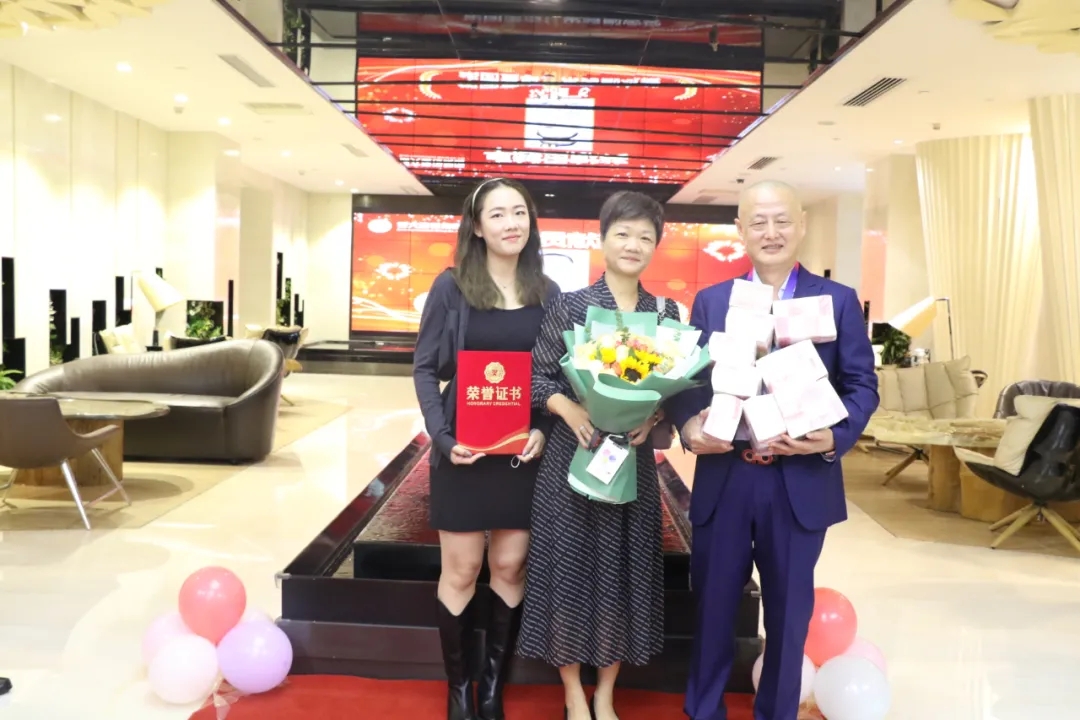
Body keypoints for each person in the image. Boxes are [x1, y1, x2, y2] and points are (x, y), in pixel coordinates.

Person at [667, 180, 879, 720]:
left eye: (782, 220)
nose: (771, 232)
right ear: (740, 230)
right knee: (713, 607)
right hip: (728, 476)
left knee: (788, 616)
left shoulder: (836, 301)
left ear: (801, 224)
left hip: (798, 480)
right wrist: (689, 425)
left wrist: (834, 436)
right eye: (758, 222)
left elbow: (862, 385)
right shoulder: (713, 301)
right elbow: (689, 382)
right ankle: (704, 711)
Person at [517, 191, 681, 720]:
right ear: (603, 239)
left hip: (631, 463)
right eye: (623, 234)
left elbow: (676, 387)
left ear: (655, 246)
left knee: (621, 571)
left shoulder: (665, 313)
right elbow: (536, 378)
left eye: (645, 237)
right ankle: (571, 690)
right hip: (573, 457)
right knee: (567, 568)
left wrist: (654, 415)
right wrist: (567, 407)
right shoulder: (569, 306)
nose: (633, 245)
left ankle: (606, 692)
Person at [413, 177, 561, 720]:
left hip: (522, 454)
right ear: (476, 227)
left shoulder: (548, 292)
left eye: (519, 212)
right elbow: (425, 369)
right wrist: (442, 437)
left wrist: (543, 426)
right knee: (461, 568)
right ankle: (459, 689)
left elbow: (556, 375)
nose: (511, 223)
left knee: (509, 565)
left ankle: (493, 688)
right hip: (463, 450)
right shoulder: (451, 287)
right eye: (497, 214)